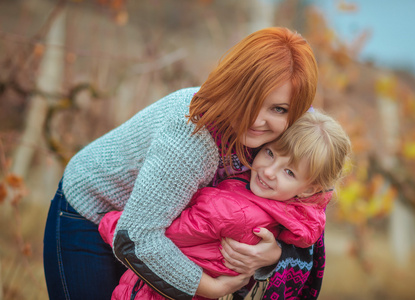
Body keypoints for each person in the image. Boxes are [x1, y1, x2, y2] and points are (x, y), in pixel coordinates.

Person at [43, 27, 319, 300]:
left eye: (278, 109)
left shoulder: (285, 143)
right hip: (91, 213)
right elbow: (137, 238)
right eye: (251, 100)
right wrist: (212, 288)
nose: (257, 120)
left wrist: (274, 255)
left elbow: (306, 215)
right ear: (233, 85)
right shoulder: (191, 137)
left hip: (160, 229)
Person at [99, 111, 352, 300]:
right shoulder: (296, 215)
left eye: (288, 172)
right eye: (270, 153)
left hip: (151, 291)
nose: (268, 171)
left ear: (309, 189)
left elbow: (153, 235)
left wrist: (108, 220)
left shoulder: (232, 210)